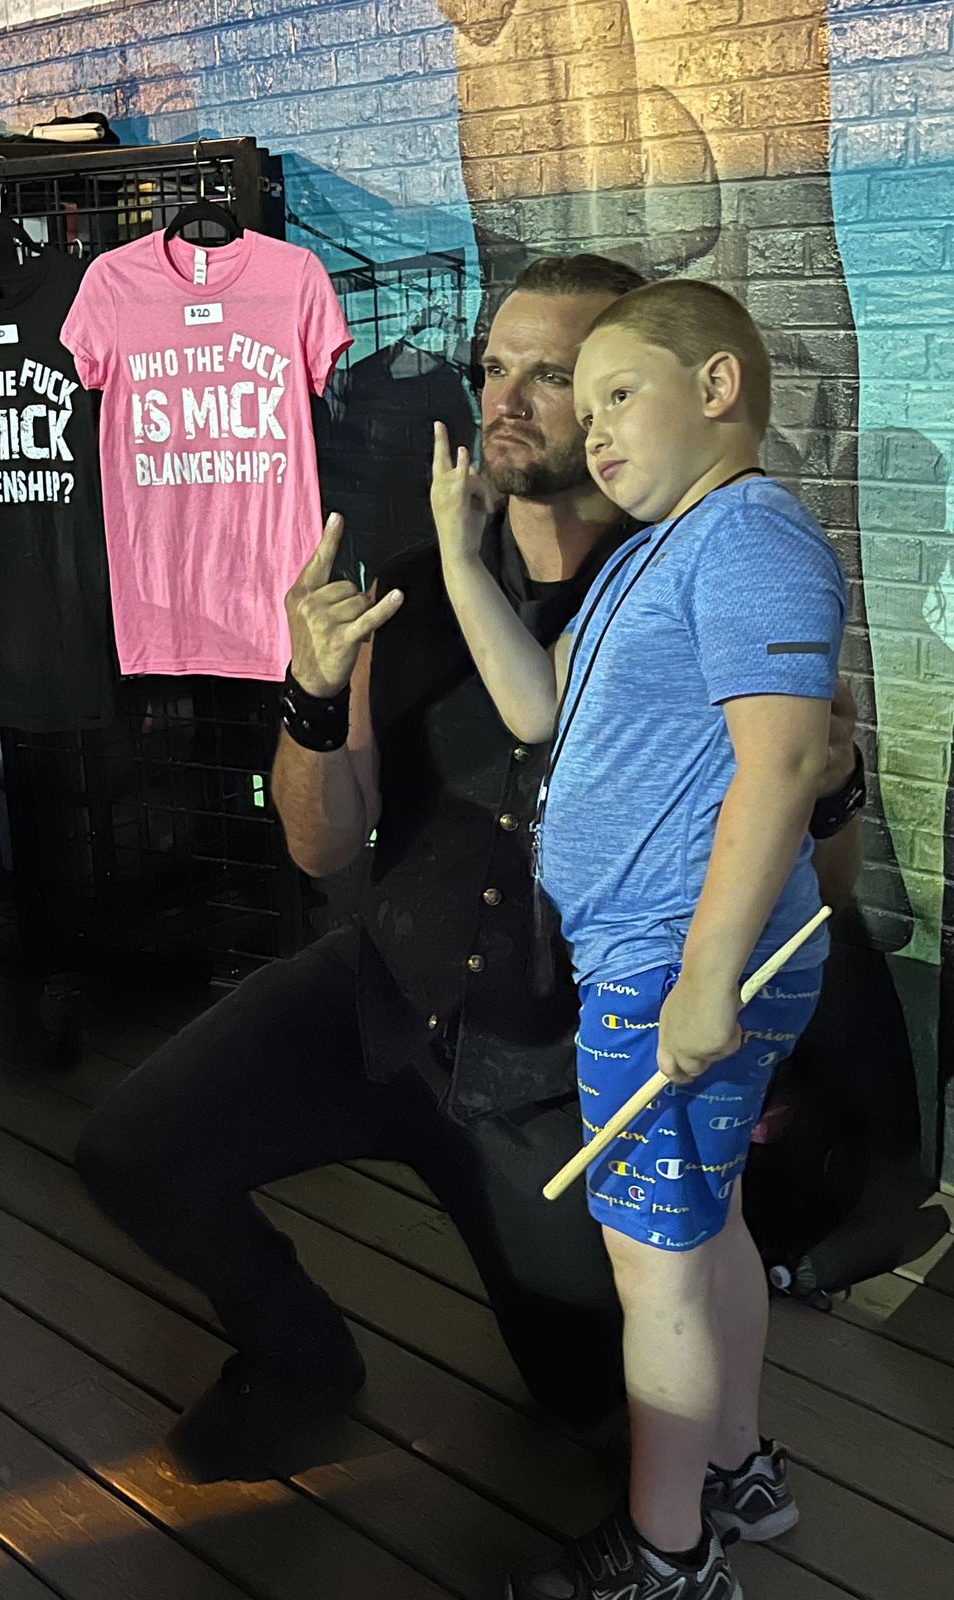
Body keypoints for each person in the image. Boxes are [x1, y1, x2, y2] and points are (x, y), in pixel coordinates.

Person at [74, 256, 864, 1487]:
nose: (510, 399)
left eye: (561, 376)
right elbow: (321, 845)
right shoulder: (414, 584)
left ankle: (690, 1485)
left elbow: (831, 881)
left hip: (560, 1065)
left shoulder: (709, 577)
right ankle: (300, 1357)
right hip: (389, 996)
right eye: (496, 367)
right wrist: (311, 692)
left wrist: (834, 779)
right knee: (132, 1148)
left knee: (601, 1391)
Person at [431, 279, 848, 1600]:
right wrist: (459, 556)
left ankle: (668, 1555)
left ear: (718, 386)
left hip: (676, 967)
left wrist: (708, 977)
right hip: (660, 961)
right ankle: (737, 1476)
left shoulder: (750, 538)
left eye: (620, 393)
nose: (595, 427)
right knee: (705, 1230)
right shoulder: (656, 551)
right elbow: (537, 707)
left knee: (654, 1271)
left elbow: (782, 765)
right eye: (589, 402)